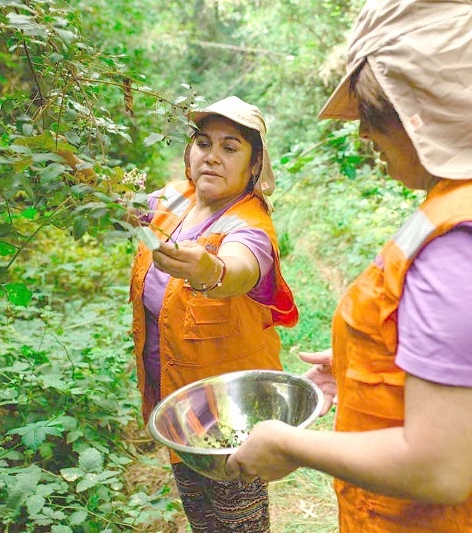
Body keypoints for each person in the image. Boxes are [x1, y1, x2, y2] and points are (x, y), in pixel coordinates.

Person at [226, 1, 472, 531]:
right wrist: (368, 369)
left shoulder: (467, 250)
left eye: (374, 116)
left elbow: (440, 467)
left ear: (425, 113)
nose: (364, 136)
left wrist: (289, 444)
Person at [129, 96, 299, 532]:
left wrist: (209, 270)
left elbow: (239, 270)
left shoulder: (250, 225)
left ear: (254, 164)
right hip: (177, 405)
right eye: (204, 143)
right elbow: (118, 204)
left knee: (238, 520)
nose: (212, 156)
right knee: (202, 518)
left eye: (230, 147)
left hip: (232, 417)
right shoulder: (174, 200)